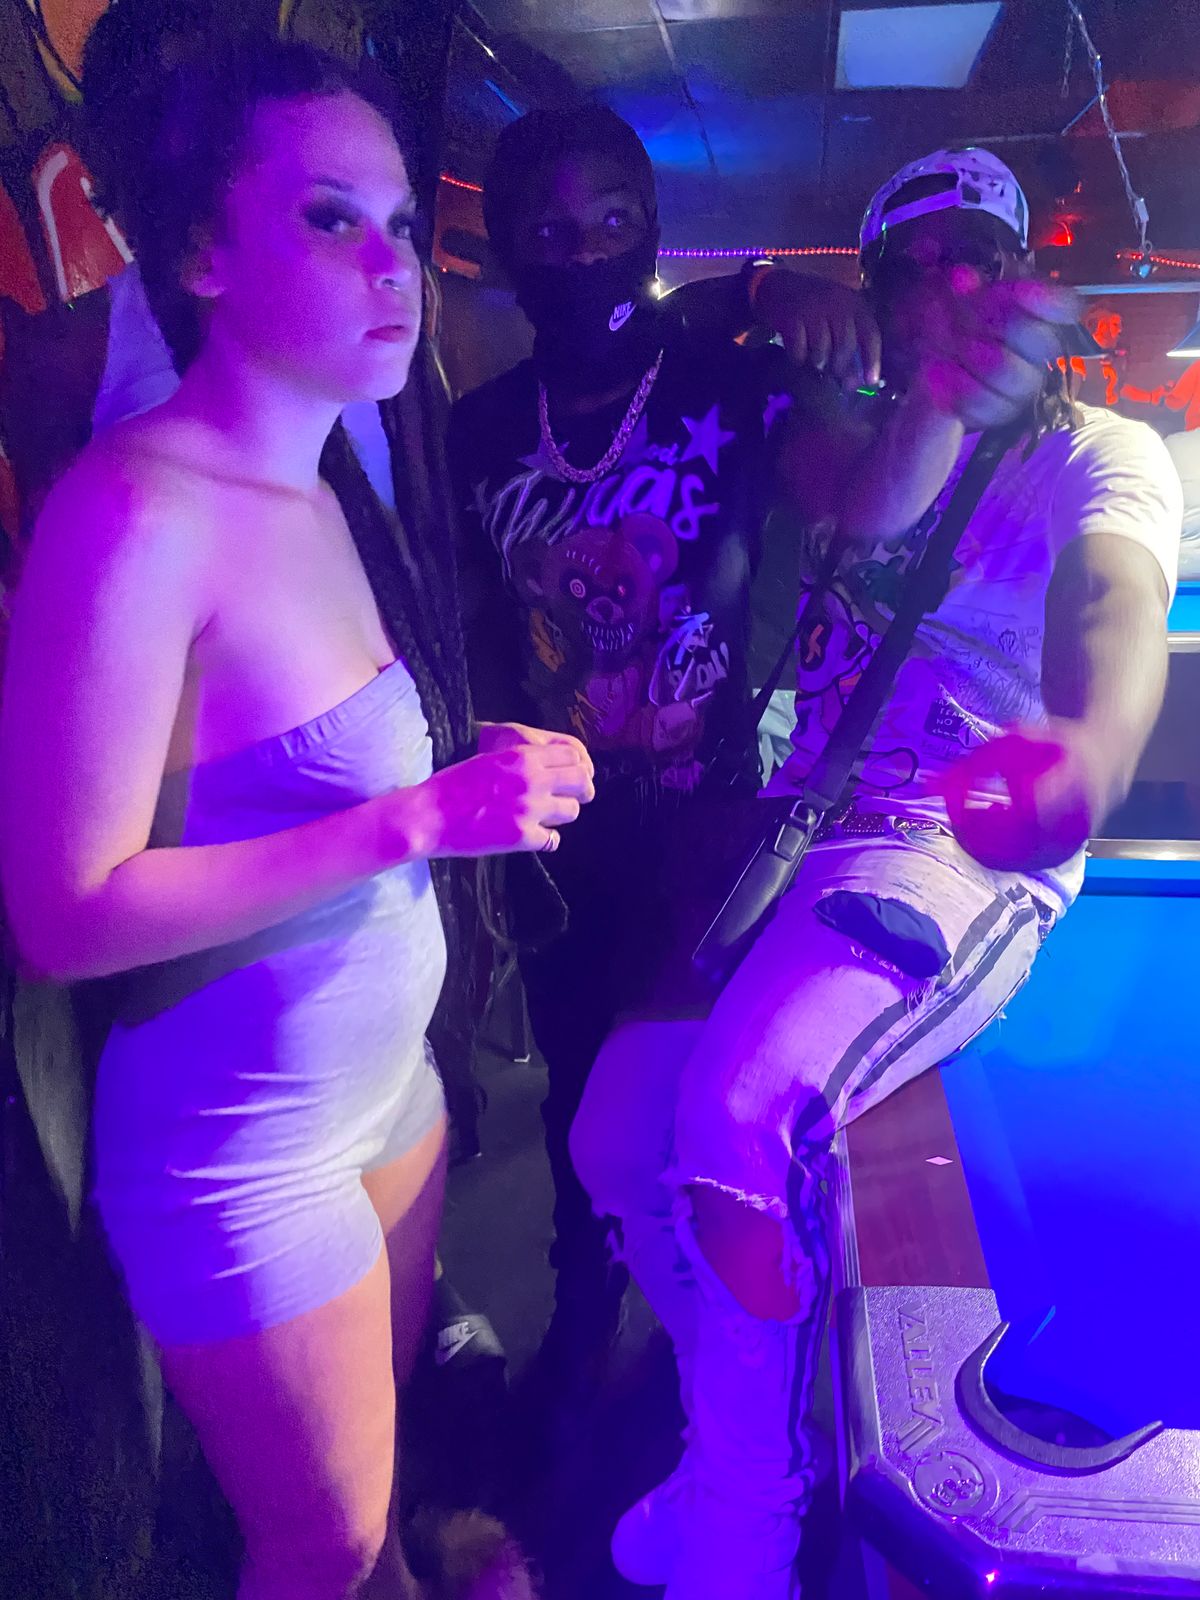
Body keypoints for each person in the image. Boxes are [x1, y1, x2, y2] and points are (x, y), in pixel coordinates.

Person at [0, 41, 594, 1600]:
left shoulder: (329, 483)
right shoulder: (134, 511)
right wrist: (415, 821)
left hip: (384, 1098)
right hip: (238, 1143)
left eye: (401, 224)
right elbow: (64, 911)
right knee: (315, 1549)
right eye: (333, 218)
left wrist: (463, 770)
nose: (394, 266)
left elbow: (302, 766)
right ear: (202, 251)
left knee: (369, 1510)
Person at [568, 147, 1181, 1598]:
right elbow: (873, 504)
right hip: (798, 831)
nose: (953, 281)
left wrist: (1090, 752)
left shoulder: (1103, 451)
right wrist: (887, 366)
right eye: (917, 264)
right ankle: (763, 1421)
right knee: (613, 1133)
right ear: (880, 290)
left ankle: (744, 1524)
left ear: (1019, 272)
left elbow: (1113, 602)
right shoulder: (842, 429)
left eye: (982, 255)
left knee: (742, 1118)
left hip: (946, 841)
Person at [448, 109, 1072, 1387]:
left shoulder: (730, 384)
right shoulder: (478, 431)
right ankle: (588, 1343)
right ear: (505, 246)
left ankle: (717, 1382)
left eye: (616, 222)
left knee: (691, 1117)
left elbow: (866, 498)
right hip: (556, 847)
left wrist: (914, 377)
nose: (587, 252)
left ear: (651, 227)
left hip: (715, 830)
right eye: (551, 232)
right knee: (577, 1115)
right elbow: (466, 632)